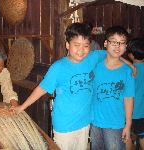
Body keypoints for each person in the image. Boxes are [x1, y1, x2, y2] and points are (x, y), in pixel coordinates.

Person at [11, 22, 109, 150]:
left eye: (86, 45)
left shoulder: (92, 57)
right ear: (67, 45)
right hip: (64, 126)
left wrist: (129, 64)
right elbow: (41, 89)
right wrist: (21, 107)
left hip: (85, 122)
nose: (81, 50)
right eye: (76, 45)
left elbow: (112, 53)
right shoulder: (58, 68)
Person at [90, 26, 135, 150]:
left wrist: (128, 124)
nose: (117, 46)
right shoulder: (95, 66)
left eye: (121, 43)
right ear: (105, 43)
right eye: (113, 41)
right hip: (95, 122)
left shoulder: (127, 72)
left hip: (116, 124)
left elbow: (129, 98)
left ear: (125, 47)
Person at [125, 38, 144, 150]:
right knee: (142, 135)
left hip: (129, 111)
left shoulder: (129, 70)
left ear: (131, 55)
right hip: (142, 111)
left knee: (127, 136)